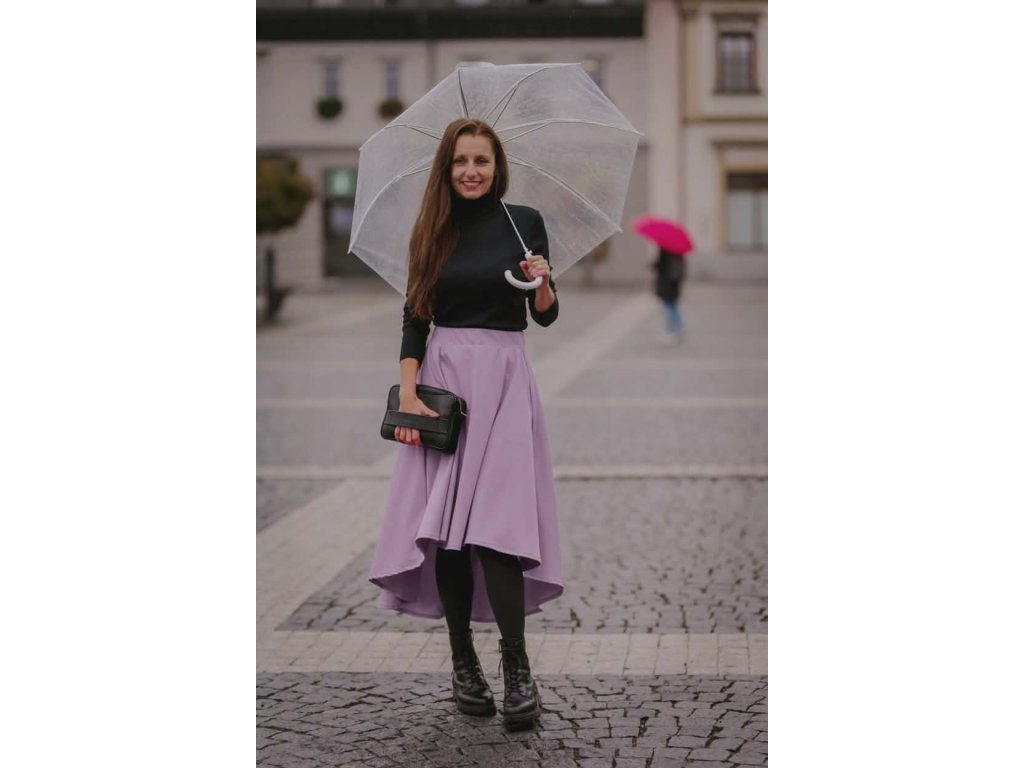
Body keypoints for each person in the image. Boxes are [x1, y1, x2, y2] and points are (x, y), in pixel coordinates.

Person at [368, 118, 562, 731]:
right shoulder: (432, 230)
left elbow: (545, 316)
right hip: (446, 382)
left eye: (481, 160)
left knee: (499, 528)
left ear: (497, 166)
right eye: (460, 161)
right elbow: (415, 318)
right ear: (446, 169)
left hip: (504, 379)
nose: (471, 171)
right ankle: (463, 664)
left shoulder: (523, 223)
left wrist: (542, 284)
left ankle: (517, 669)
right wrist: (408, 394)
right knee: (449, 531)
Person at [652, 246, 686, 344]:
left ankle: (670, 331)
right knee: (672, 306)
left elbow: (661, 266)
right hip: (674, 284)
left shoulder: (665, 250)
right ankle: (679, 328)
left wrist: (655, 264)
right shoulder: (678, 251)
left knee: (668, 307)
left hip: (666, 284)